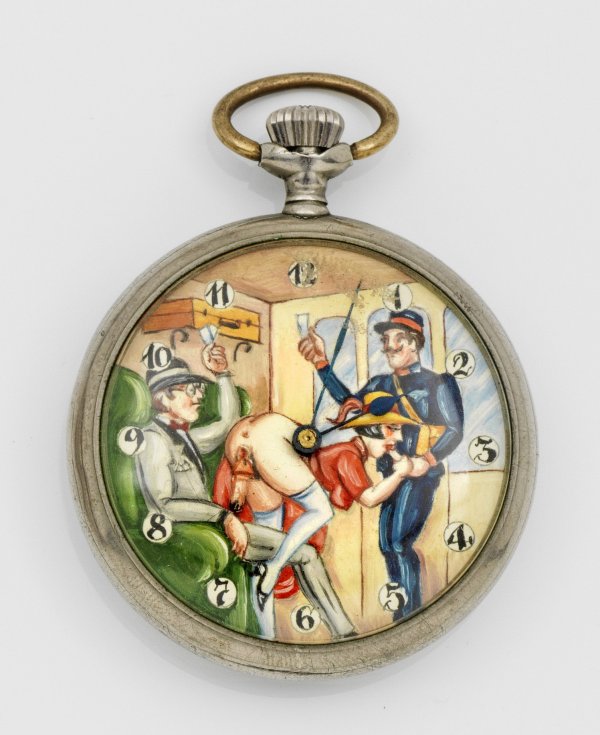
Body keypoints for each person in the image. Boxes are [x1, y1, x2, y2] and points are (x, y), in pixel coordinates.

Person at [135, 342, 355, 640]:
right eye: (190, 390)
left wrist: (223, 374)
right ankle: (341, 632)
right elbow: (164, 505)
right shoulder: (153, 440)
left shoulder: (185, 438)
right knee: (305, 555)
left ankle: (281, 635)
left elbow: (227, 422)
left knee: (300, 555)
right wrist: (223, 516)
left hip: (216, 526)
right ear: (164, 397)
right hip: (201, 532)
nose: (199, 396)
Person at [299, 308, 464, 618]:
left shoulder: (439, 383)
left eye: (397, 339)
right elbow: (352, 405)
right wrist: (322, 364)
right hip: (390, 474)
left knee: (399, 544)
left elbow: (455, 430)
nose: (389, 346)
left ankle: (409, 614)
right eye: (386, 340)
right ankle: (403, 611)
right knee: (388, 545)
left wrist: (426, 460)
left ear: (415, 342)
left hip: (419, 476)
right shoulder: (380, 383)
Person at [214, 402, 414, 638]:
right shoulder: (349, 453)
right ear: (371, 427)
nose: (398, 438)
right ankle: (274, 567)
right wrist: (400, 474)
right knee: (321, 511)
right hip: (269, 441)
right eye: (392, 429)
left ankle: (265, 634)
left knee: (267, 545)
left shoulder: (350, 444)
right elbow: (369, 498)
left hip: (243, 440)